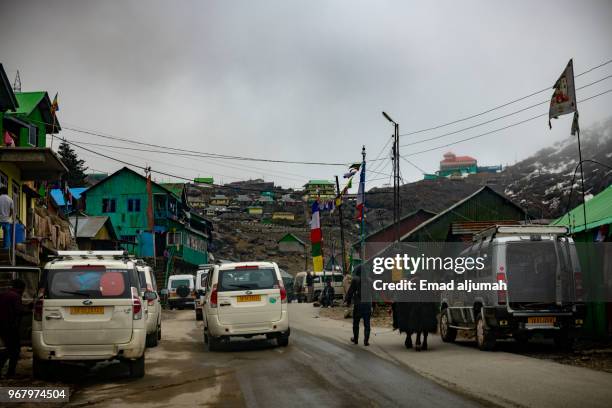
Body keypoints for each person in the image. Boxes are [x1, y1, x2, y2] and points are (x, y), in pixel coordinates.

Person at [0, 279, 26, 378]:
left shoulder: (4, 294)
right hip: (10, 327)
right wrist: (30, 310)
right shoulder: (16, 296)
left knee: (7, 349)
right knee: (14, 351)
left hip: (2, 326)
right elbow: (19, 311)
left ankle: (7, 371)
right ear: (21, 288)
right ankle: (10, 373)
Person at [345, 265, 371, 346]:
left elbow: (350, 292)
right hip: (367, 304)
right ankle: (366, 341)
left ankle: (355, 339)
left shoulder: (355, 279)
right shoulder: (369, 280)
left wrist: (348, 301)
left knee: (356, 322)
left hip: (358, 304)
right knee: (367, 323)